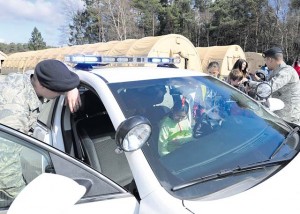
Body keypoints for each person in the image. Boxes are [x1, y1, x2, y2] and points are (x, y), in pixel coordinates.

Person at [0, 59, 81, 200]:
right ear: (43, 86)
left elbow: (58, 70)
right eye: (59, 91)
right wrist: (25, 200)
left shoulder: (35, 78)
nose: (61, 94)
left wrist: (71, 87)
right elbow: (4, 168)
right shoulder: (14, 111)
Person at [249, 47, 300, 125]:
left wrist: (248, 83)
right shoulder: (276, 71)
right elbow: (267, 85)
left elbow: (268, 87)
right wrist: (256, 79)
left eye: (265, 60)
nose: (265, 63)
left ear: (270, 59)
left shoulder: (287, 71)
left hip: (289, 119)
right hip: (280, 115)